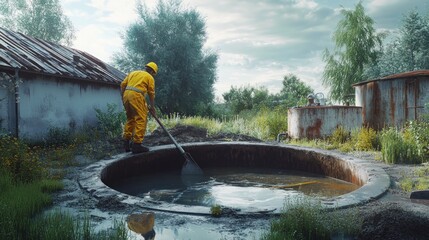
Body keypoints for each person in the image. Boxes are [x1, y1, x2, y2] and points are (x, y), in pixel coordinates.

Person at [121, 62, 158, 154]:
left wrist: (123, 97)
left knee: (130, 118)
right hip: (136, 96)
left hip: (126, 95)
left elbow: (122, 85)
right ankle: (137, 145)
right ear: (153, 72)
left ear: (146, 68)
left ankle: (126, 142)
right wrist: (152, 107)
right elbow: (151, 94)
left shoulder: (133, 73)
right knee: (141, 119)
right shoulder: (150, 77)